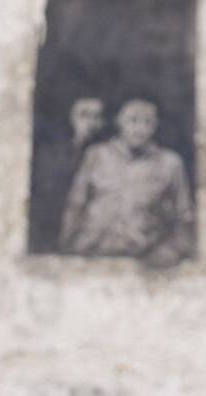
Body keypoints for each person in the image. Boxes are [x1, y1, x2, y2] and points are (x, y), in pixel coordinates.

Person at [58, 98, 194, 268]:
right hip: (91, 254)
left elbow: (185, 218)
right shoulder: (96, 155)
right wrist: (66, 248)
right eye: (133, 120)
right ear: (119, 122)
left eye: (147, 122)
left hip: (141, 261)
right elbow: (75, 204)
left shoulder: (170, 163)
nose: (139, 129)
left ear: (156, 126)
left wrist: (171, 249)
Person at [29, 96, 105, 253]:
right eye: (84, 115)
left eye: (96, 117)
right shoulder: (52, 153)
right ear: (72, 118)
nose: (90, 123)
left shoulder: (108, 155)